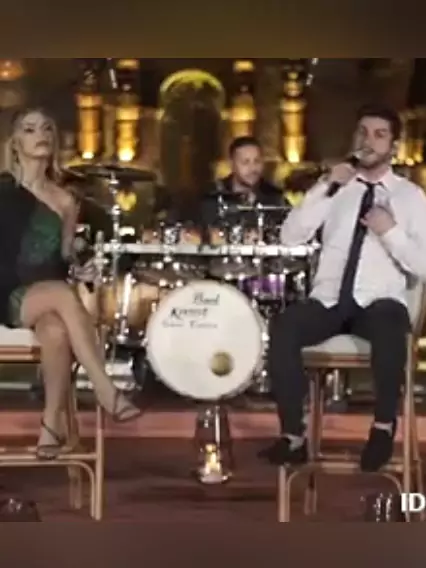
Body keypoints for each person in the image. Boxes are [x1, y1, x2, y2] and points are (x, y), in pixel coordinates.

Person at [259, 103, 426, 472]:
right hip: (330, 302)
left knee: (390, 323)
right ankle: (293, 435)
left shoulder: (411, 197)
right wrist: (325, 186)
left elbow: (423, 264)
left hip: (378, 302)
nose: (369, 141)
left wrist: (390, 231)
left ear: (394, 147)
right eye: (363, 132)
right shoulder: (336, 189)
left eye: (379, 135)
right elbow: (290, 236)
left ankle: (382, 428)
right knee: (285, 325)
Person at [0, 107, 141, 460]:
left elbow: (65, 256)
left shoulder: (66, 201)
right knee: (61, 294)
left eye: (46, 128)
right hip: (5, 289)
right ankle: (104, 388)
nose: (40, 135)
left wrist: (82, 266)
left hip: (46, 293)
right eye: (29, 129)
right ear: (15, 143)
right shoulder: (2, 190)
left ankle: (50, 426)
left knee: (56, 331)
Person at [199, 136, 290, 229]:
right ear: (232, 164)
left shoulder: (275, 197)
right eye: (245, 162)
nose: (253, 168)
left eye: (257, 161)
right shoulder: (213, 197)